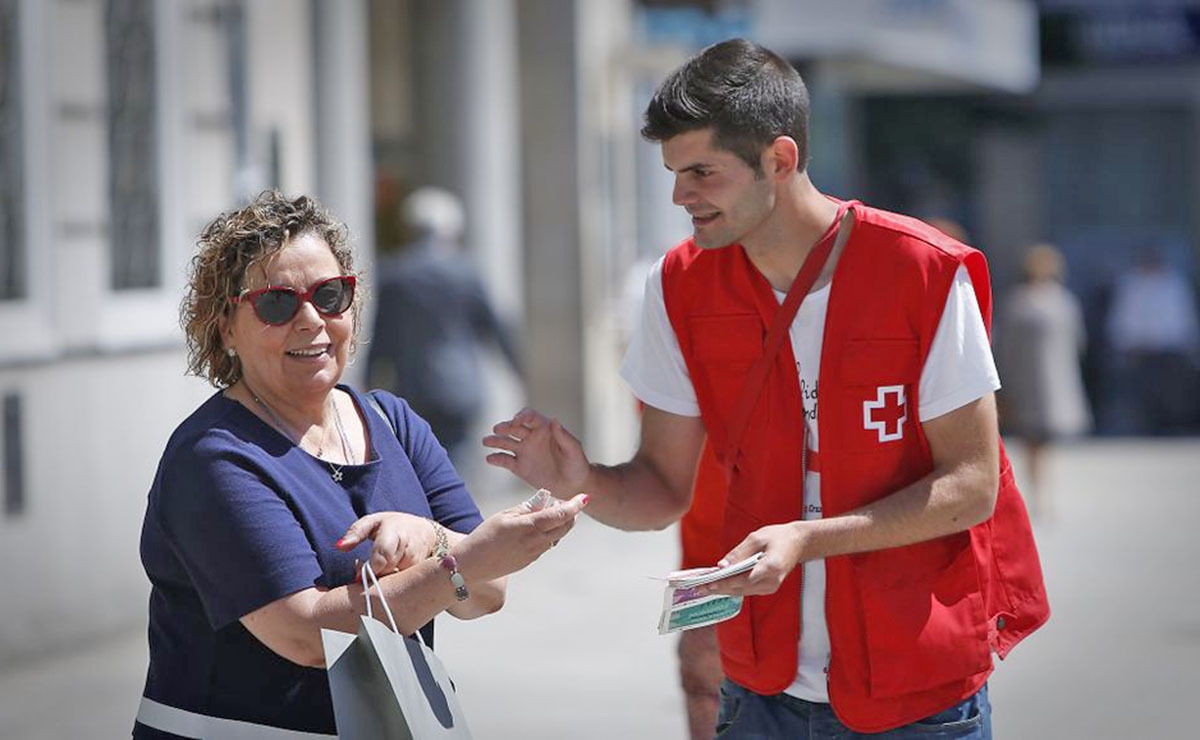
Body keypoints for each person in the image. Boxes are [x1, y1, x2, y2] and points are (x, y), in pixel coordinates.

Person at [485, 39, 1048, 737]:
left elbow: (972, 486)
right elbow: (661, 488)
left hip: (917, 691)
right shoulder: (678, 286)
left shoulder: (923, 272)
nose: (679, 195)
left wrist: (805, 540)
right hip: (758, 692)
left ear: (780, 161)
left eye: (701, 172)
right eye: (673, 172)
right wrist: (584, 479)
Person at [135, 191, 586, 738]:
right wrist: (458, 562)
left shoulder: (392, 420)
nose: (311, 321)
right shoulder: (216, 457)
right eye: (277, 303)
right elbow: (306, 634)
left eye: (330, 295)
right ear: (226, 327)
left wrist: (431, 539)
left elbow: (487, 593)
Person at [368, 186, 522, 467]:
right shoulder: (466, 271)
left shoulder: (397, 274)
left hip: (413, 385)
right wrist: (519, 371)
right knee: (456, 467)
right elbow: (496, 327)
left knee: (419, 463)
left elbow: (382, 336)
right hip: (461, 386)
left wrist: (368, 384)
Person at [997, 244, 1091, 517]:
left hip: (1031, 380)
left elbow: (1005, 349)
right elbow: (1079, 343)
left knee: (1035, 443)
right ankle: (1041, 496)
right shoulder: (1063, 301)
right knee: (1038, 443)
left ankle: (1039, 496)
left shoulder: (1019, 302)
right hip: (1049, 380)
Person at [1105, 247, 1200, 435]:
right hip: (1140, 350)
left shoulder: (1173, 283)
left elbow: (1183, 316)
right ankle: (1147, 425)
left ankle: (1169, 425)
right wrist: (1124, 343)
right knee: (1143, 392)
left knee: (1171, 391)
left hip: (1169, 349)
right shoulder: (1132, 284)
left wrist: (1190, 344)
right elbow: (1123, 317)